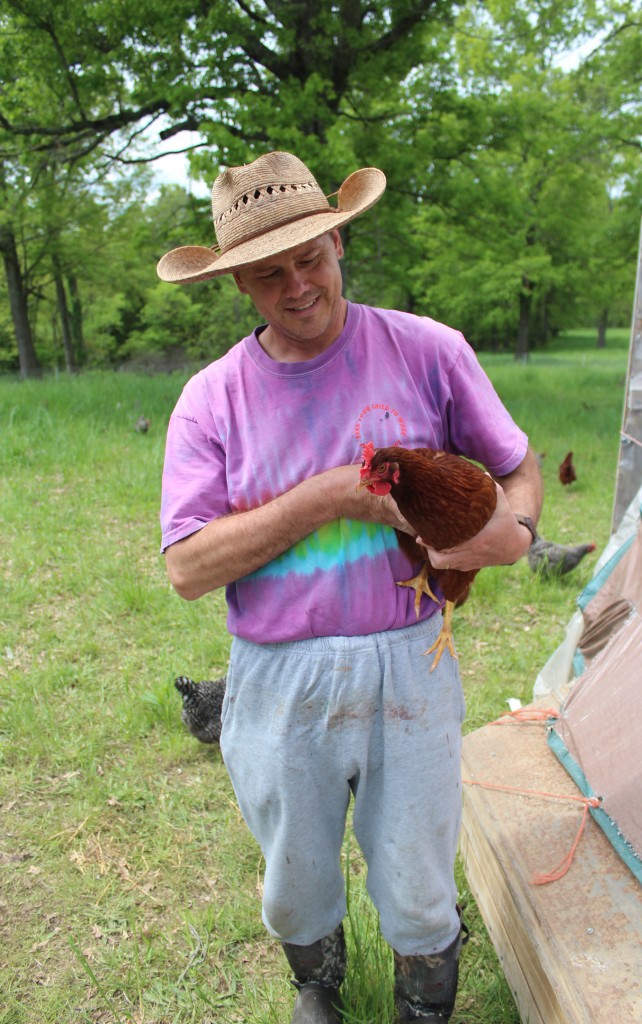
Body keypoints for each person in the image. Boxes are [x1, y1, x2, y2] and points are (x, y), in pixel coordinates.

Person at [157, 150, 543, 1024]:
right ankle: (316, 984)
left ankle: (423, 1004)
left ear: (338, 241)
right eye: (268, 273)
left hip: (411, 655)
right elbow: (186, 568)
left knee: (415, 875)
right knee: (294, 875)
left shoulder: (429, 350)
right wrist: (332, 497)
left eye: (311, 257)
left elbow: (519, 468)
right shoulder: (209, 399)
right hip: (275, 672)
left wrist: (514, 534)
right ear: (241, 287)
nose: (297, 285)